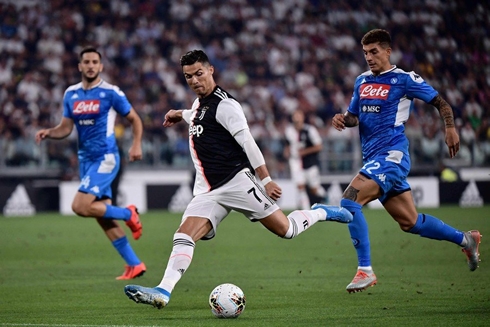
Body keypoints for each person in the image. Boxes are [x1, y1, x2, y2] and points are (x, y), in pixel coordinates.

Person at [124, 49, 353, 309]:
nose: (195, 80)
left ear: (211, 70)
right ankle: (163, 291)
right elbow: (196, 115)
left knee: (286, 230)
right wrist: (179, 113)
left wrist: (265, 180)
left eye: (199, 73)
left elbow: (248, 142)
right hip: (209, 191)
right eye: (188, 77)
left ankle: (320, 212)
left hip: (238, 182)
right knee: (184, 235)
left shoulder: (226, 105)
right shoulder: (199, 104)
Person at [330, 29, 481, 293]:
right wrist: (343, 120)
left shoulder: (404, 79)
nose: (369, 57)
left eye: (374, 52)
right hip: (373, 160)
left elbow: (441, 103)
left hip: (392, 157)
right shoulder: (361, 82)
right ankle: (466, 239)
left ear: (388, 52)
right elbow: (355, 116)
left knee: (349, 199)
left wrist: (450, 128)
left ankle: (365, 270)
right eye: (365, 53)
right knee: (410, 223)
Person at [35, 47, 146, 280]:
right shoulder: (71, 94)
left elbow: (135, 119)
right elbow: (65, 128)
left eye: (95, 62)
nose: (91, 65)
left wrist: (136, 144)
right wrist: (49, 132)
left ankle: (128, 213)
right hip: (85, 160)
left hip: (106, 157)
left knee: (79, 206)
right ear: (80, 66)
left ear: (101, 66)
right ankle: (134, 264)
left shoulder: (111, 92)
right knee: (102, 216)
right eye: (86, 62)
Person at [284, 109, 327, 209]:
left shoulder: (310, 130)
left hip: (310, 163)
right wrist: (286, 152)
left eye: (298, 116)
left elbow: (319, 146)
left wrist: (304, 152)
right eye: (295, 116)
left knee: (314, 189)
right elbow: (287, 144)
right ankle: (306, 212)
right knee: (300, 187)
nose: (297, 119)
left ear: (302, 118)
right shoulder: (289, 130)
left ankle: (326, 198)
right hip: (295, 162)